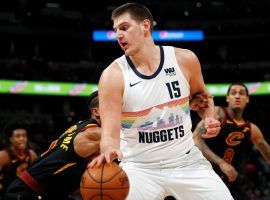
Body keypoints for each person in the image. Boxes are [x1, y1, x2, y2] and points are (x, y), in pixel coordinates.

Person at [90, 3, 233, 200]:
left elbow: (202, 97)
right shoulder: (112, 76)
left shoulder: (185, 59)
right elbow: (109, 134)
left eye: (124, 28)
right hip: (139, 168)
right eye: (115, 30)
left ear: (145, 26)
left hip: (186, 162)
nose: (118, 35)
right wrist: (109, 150)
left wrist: (208, 118)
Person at [5, 90, 101, 200]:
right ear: (96, 111)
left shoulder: (81, 125)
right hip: (28, 192)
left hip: (45, 192)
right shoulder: (94, 133)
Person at [193, 82, 270, 199]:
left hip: (233, 183)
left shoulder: (251, 129)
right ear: (227, 98)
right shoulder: (217, 113)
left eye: (242, 93)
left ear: (247, 99)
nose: (237, 96)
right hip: (206, 178)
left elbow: (267, 153)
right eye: (233, 93)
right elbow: (196, 139)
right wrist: (221, 163)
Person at [0, 122, 37, 199]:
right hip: (6, 195)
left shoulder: (31, 154)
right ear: (11, 139)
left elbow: (37, 177)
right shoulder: (3, 155)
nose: (22, 139)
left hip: (25, 195)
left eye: (24, 136)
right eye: (18, 136)